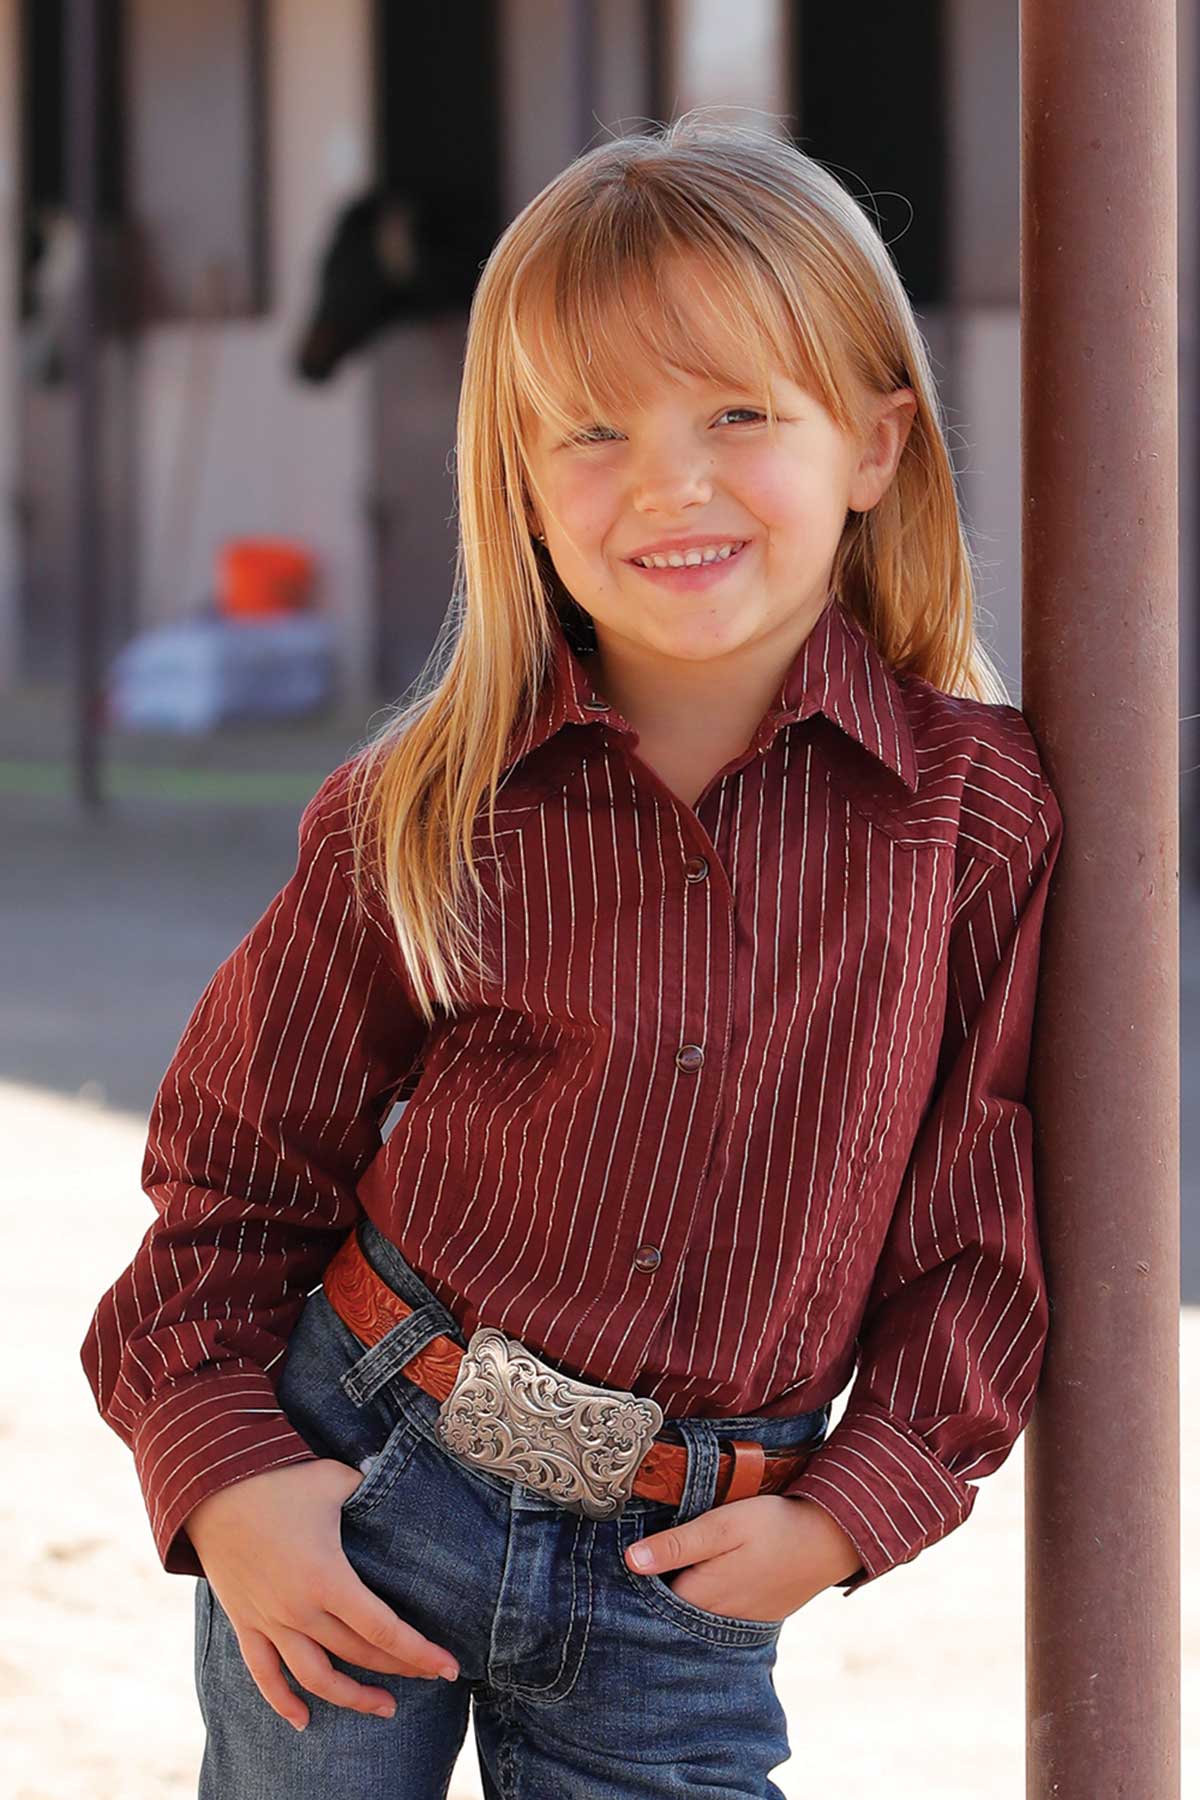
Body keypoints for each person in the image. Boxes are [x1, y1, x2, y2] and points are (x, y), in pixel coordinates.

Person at [80, 113, 1065, 1799]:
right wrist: (229, 1473)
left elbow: (981, 1218)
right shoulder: (425, 804)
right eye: (593, 431)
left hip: (683, 1575)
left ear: (875, 443)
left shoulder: (975, 819)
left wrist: (852, 1510)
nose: (671, 483)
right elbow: (233, 1170)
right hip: (360, 1477)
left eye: (739, 413)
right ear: (521, 486)